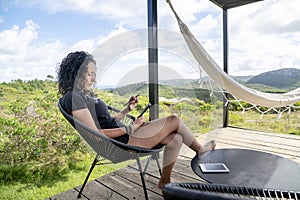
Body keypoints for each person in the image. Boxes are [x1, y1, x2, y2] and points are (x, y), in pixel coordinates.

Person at [57, 51, 216, 189]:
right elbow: (95, 133)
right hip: (120, 144)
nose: (93, 79)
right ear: (76, 73)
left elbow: (106, 121)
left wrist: (127, 110)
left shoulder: (84, 95)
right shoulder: (73, 98)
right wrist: (131, 128)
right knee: (174, 120)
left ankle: (165, 182)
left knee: (176, 139)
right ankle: (199, 150)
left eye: (94, 74)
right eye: (89, 74)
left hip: (123, 136)